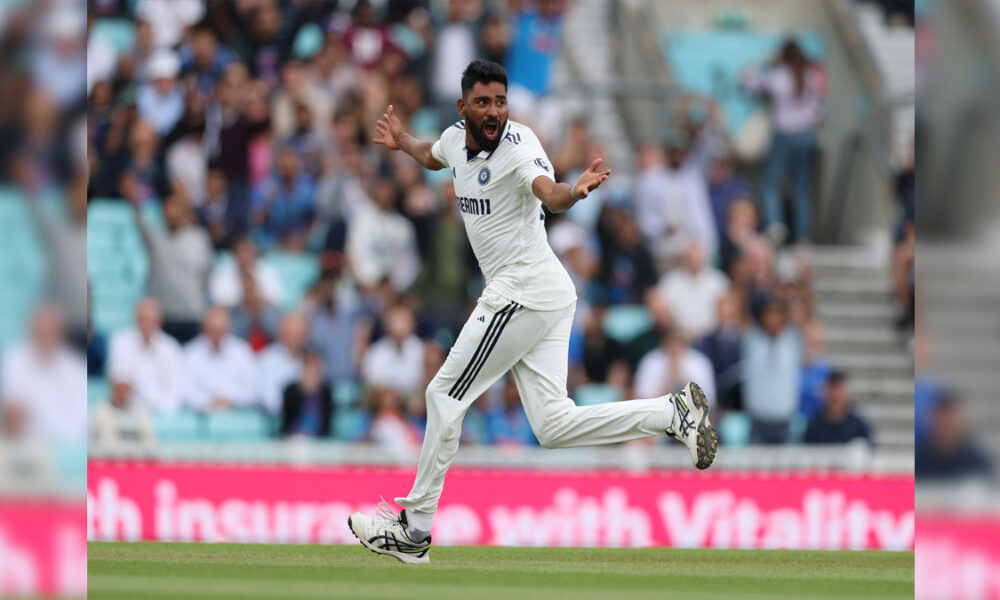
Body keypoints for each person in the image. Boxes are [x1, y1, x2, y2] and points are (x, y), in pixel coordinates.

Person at [348, 61, 718, 564]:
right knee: (553, 425)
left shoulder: (520, 147)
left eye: (500, 101)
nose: (494, 111)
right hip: (544, 292)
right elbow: (433, 156)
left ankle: (414, 530)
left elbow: (550, 193)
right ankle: (671, 413)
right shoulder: (455, 139)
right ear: (463, 107)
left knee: (443, 395)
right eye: (483, 102)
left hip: (522, 289)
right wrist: (402, 141)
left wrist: (573, 192)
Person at [743, 40, 826, 243]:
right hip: (806, 135)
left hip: (783, 135)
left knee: (770, 183)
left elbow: (748, 81)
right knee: (802, 188)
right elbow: (821, 106)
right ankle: (803, 235)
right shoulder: (810, 75)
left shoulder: (778, 76)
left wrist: (766, 61)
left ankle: (775, 224)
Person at [181, 306, 257, 412]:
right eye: (212, 331)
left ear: (228, 328)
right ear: (204, 329)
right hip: (202, 412)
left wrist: (230, 399)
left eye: (220, 331)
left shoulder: (242, 351)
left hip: (238, 412)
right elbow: (185, 390)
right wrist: (209, 401)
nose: (216, 336)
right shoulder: (191, 353)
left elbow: (253, 390)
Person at [803, 371, 873, 445]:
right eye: (832, 390)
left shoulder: (858, 426)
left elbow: (869, 446)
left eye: (839, 390)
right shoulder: (814, 426)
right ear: (824, 393)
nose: (836, 395)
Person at [280, 348, 333, 438]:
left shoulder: (326, 392)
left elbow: (326, 424)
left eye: (315, 367)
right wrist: (303, 390)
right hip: (293, 437)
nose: (312, 371)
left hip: (317, 439)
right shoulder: (290, 390)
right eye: (308, 366)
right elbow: (288, 419)